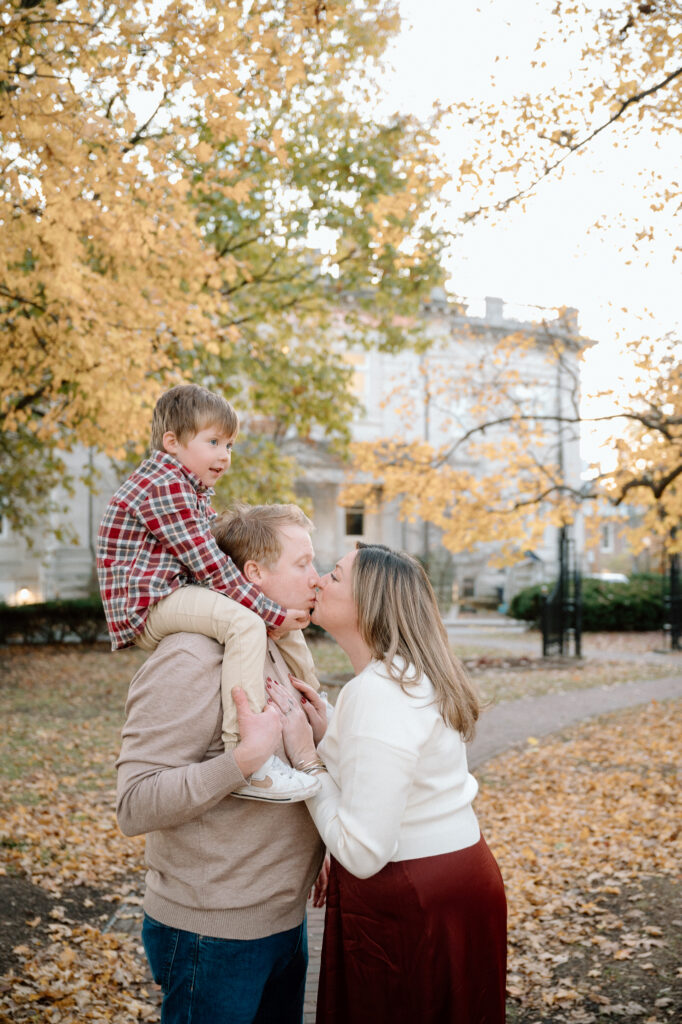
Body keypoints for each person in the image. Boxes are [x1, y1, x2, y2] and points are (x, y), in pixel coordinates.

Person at [269, 543, 508, 1024]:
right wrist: (332, 726)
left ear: (369, 604)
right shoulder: (409, 676)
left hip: (414, 898)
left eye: (333, 576)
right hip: (458, 879)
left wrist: (306, 758)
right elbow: (396, 765)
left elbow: (361, 852)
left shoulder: (379, 693)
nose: (317, 581)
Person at [116, 503, 328, 1024]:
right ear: (253, 573)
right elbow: (134, 804)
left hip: (284, 923)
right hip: (210, 937)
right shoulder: (192, 656)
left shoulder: (278, 649)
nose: (317, 580)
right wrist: (243, 759)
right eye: (302, 564)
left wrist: (322, 842)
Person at [98, 383, 318, 802]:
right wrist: (268, 612)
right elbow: (211, 565)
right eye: (213, 441)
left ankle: (312, 705)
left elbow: (218, 552)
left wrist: (275, 603)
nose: (224, 455)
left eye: (230, 444)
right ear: (172, 443)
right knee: (247, 622)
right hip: (147, 604)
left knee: (275, 618)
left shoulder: (190, 487)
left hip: (172, 591)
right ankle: (249, 753)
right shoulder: (164, 485)